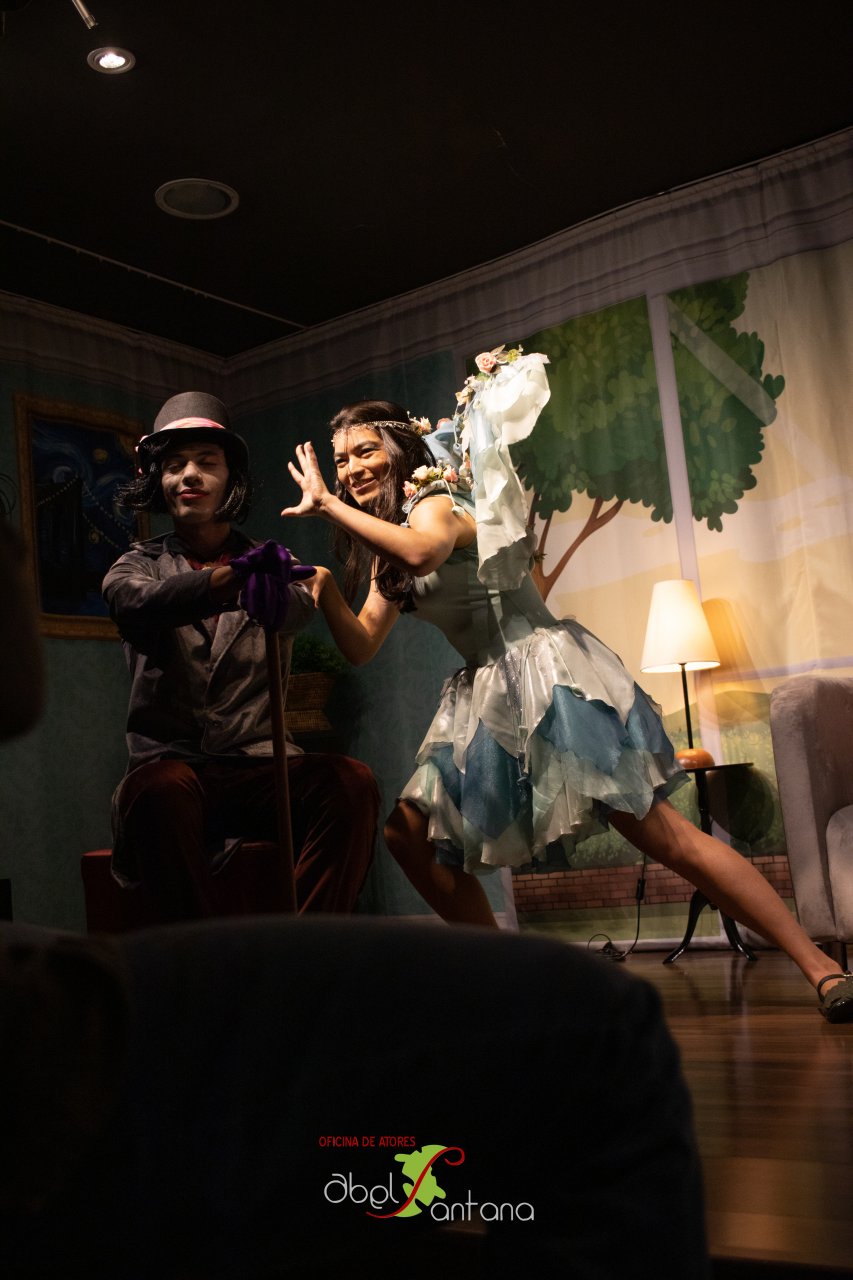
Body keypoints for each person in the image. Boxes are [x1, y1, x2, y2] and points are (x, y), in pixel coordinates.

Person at [281, 347, 853, 1022]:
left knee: (664, 837)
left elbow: (425, 550)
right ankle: (510, 983)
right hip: (486, 698)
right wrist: (325, 588)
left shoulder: (436, 502)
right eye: (340, 460)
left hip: (548, 680)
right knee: (408, 834)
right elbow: (360, 645)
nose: (350, 469)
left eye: (364, 451)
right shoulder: (388, 551)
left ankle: (820, 967)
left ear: (400, 450)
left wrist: (325, 506)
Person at [102, 391, 379, 920]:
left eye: (207, 462)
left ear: (231, 478)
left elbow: (297, 604)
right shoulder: (135, 565)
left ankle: (305, 946)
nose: (190, 475)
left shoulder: (271, 562)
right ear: (158, 481)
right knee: (157, 790)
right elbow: (134, 601)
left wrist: (279, 592)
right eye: (174, 466)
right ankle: (208, 955)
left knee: (350, 782)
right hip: (173, 767)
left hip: (257, 766)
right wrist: (228, 581)